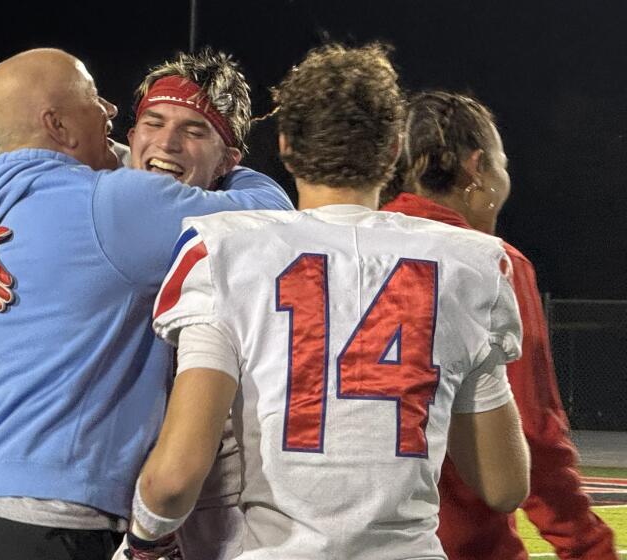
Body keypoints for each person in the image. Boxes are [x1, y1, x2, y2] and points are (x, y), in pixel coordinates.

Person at [127, 42, 531, 559]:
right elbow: (504, 484)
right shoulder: (469, 262)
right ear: (393, 151)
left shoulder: (226, 247)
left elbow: (174, 478)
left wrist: (143, 542)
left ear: (286, 146)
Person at [0, 48, 292, 560]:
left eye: (193, 130)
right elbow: (273, 217)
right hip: (49, 518)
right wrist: (235, 171)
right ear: (58, 125)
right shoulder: (115, 204)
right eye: (96, 100)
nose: (110, 109)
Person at [381, 90, 617, 560]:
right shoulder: (491, 264)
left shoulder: (340, 250)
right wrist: (589, 547)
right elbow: (533, 436)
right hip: (463, 544)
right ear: (476, 168)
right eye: (502, 165)